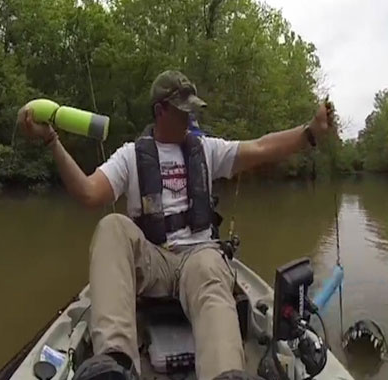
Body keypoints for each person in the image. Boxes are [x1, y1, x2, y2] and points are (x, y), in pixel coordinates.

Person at [17, 70, 334, 380]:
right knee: (112, 226)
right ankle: (115, 363)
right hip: (153, 261)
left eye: (192, 111)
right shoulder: (130, 156)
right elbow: (88, 193)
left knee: (210, 268)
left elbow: (262, 147)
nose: (190, 119)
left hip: (198, 257)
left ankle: (225, 373)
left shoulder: (207, 149)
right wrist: (52, 142)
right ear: (160, 111)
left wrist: (309, 132)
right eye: (183, 112)